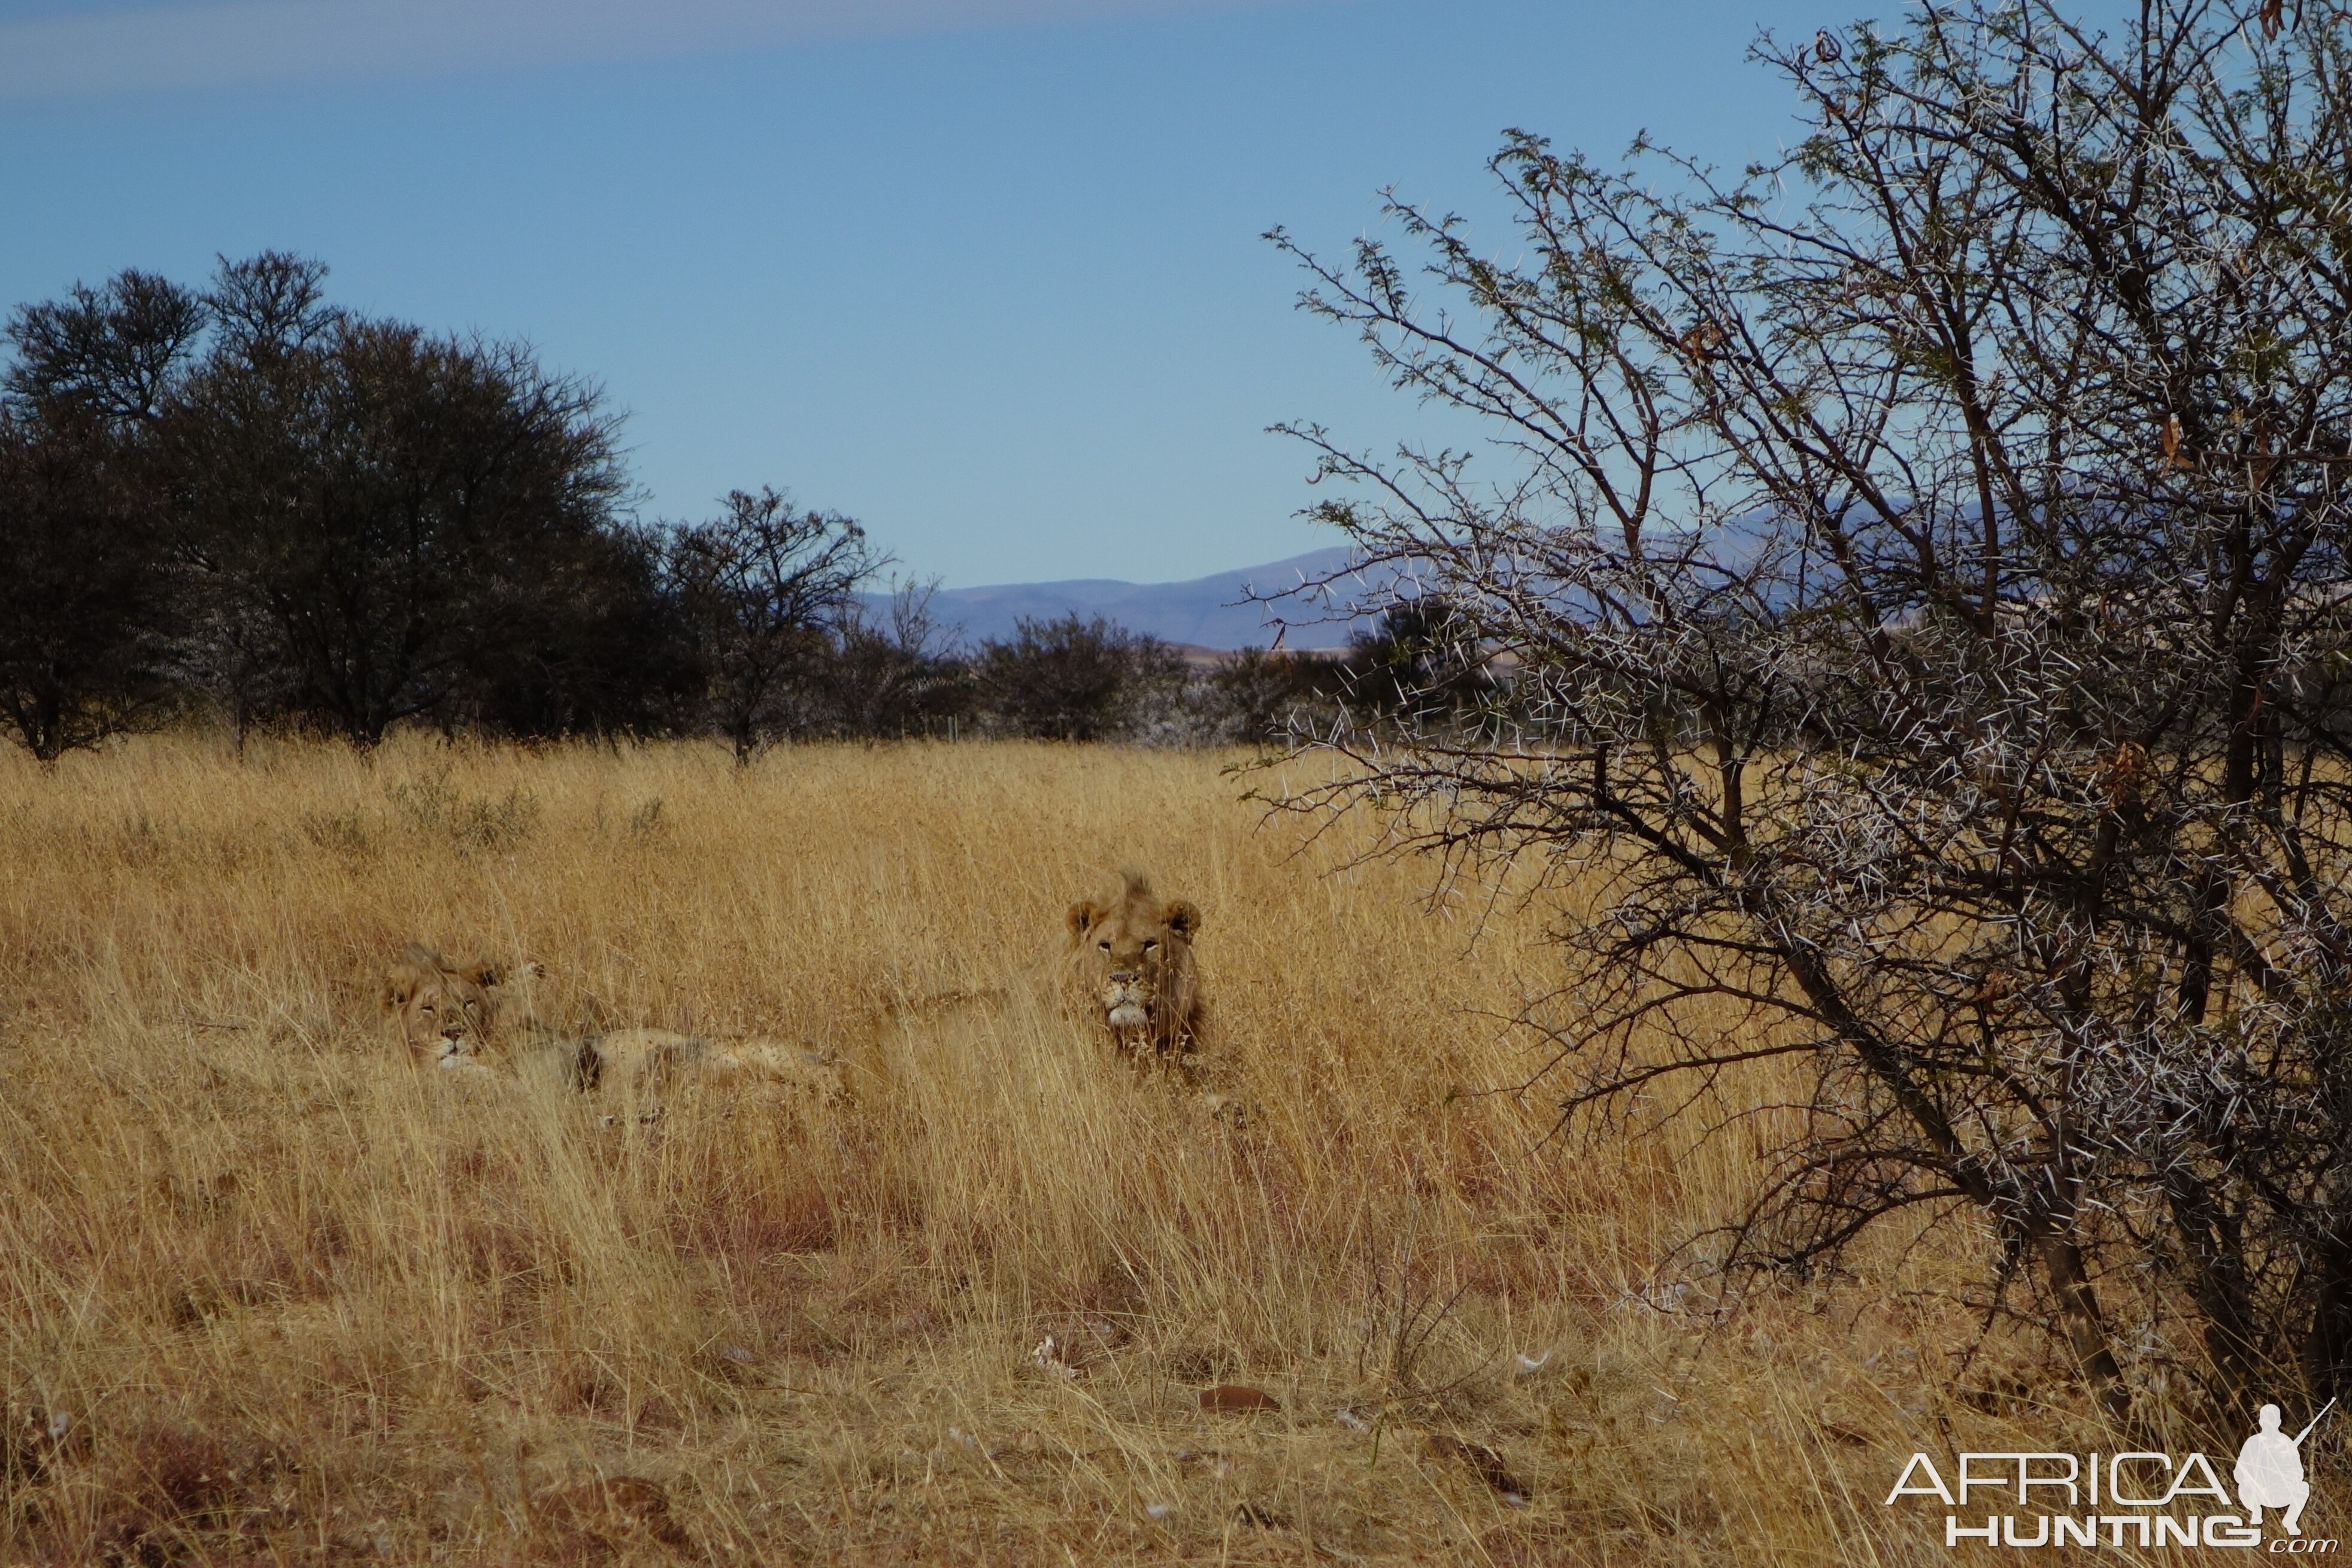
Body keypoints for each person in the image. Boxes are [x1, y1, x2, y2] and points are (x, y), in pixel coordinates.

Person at [2238, 1403, 2312, 1536]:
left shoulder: (2287, 1442)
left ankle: (2290, 1521)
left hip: (2280, 1492)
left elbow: (2299, 1473)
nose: (2269, 1424)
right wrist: (2255, 1479)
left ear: (2278, 1422)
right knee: (2244, 1486)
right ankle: (2256, 1513)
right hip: (2258, 1493)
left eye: (2272, 1420)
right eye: (2266, 1420)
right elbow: (2239, 1472)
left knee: (2304, 1487)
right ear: (2260, 1421)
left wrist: (2284, 1476)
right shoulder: (2253, 1442)